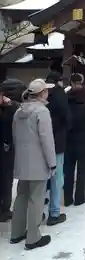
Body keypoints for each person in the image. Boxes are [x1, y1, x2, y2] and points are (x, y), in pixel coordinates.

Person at [10, 79, 56, 250]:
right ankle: (33, 237)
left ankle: (16, 232)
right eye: (46, 90)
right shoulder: (42, 112)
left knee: (21, 196)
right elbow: (47, 140)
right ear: (42, 93)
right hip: (38, 162)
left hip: (21, 161)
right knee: (36, 199)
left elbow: (15, 136)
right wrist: (52, 163)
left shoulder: (18, 112)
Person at [45, 71, 71, 226]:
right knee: (56, 176)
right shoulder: (60, 94)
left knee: (41, 177)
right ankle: (54, 212)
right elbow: (67, 118)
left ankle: (36, 212)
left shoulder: (36, 92)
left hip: (38, 142)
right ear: (58, 81)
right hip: (57, 141)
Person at [64, 81, 85, 206]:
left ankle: (67, 198)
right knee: (82, 171)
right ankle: (79, 197)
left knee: (68, 171)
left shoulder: (67, 107)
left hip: (69, 142)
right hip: (83, 142)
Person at [0, 79, 25, 222]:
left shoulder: (12, 108)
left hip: (6, 148)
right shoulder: (12, 109)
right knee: (6, 179)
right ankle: (4, 209)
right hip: (6, 149)